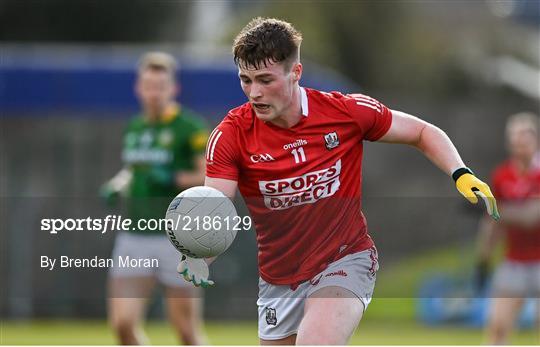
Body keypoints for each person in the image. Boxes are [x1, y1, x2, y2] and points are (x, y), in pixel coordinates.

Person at [177, 18, 500, 345]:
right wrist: (199, 256)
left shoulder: (344, 112)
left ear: (296, 73)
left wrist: (461, 173)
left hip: (345, 260)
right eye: (245, 80)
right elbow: (216, 210)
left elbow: (422, 131)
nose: (254, 92)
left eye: (264, 79)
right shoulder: (231, 135)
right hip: (279, 280)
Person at [101, 52, 209, 345]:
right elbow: (133, 169)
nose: (154, 93)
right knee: (123, 324)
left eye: (160, 86)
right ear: (138, 88)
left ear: (173, 89)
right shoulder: (136, 127)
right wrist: (117, 184)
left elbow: (207, 176)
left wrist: (173, 178)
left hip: (176, 237)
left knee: (186, 332)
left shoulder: (189, 127)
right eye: (148, 86)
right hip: (134, 234)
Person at [476, 112, 540, 345]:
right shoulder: (502, 175)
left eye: (524, 136)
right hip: (514, 260)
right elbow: (491, 224)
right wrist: (483, 258)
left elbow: (533, 216)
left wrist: (496, 210)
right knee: (498, 326)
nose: (519, 142)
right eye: (514, 136)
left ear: (535, 139)